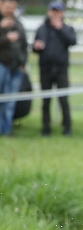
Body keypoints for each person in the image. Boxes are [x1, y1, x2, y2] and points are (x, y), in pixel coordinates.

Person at [32, 1, 76, 136]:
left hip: (61, 70)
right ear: (49, 12)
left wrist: (60, 28)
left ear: (62, 13)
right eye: (53, 11)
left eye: (58, 11)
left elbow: (72, 41)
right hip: (45, 69)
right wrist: (36, 47)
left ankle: (67, 128)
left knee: (63, 100)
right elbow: (34, 47)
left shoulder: (67, 28)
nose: (55, 14)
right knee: (46, 101)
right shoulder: (42, 29)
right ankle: (46, 128)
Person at [0, 0, 26, 136]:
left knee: (10, 101)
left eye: (13, 7)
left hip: (16, 67)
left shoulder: (18, 23)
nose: (10, 10)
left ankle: (6, 130)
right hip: (1, 65)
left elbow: (24, 44)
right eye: (8, 7)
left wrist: (23, 63)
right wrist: (3, 31)